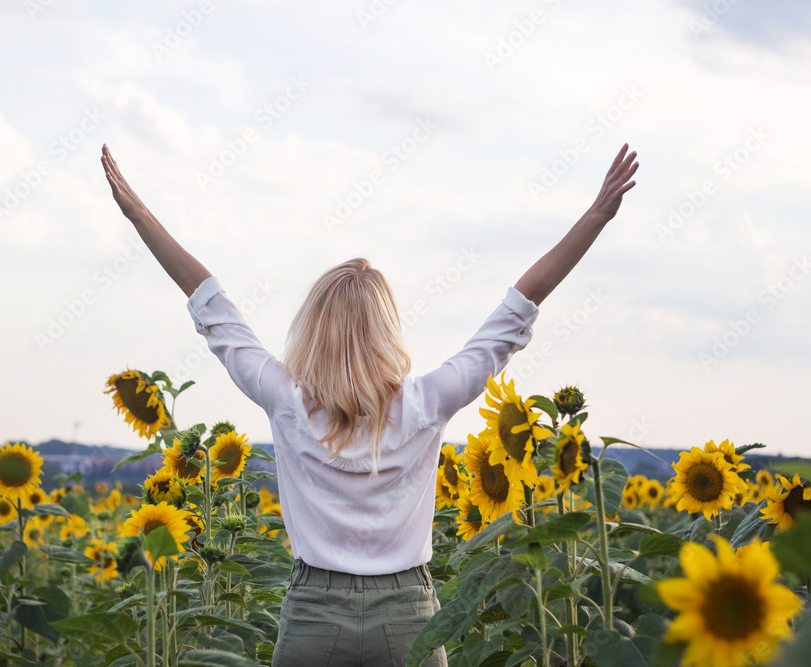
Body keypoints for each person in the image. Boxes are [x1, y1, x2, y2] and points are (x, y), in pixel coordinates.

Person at [101, 142, 638, 666]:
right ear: (387, 330)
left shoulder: (284, 398)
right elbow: (518, 309)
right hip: (407, 617)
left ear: (314, 327)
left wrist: (138, 214)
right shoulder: (429, 401)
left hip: (314, 616)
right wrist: (596, 216)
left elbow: (211, 306)